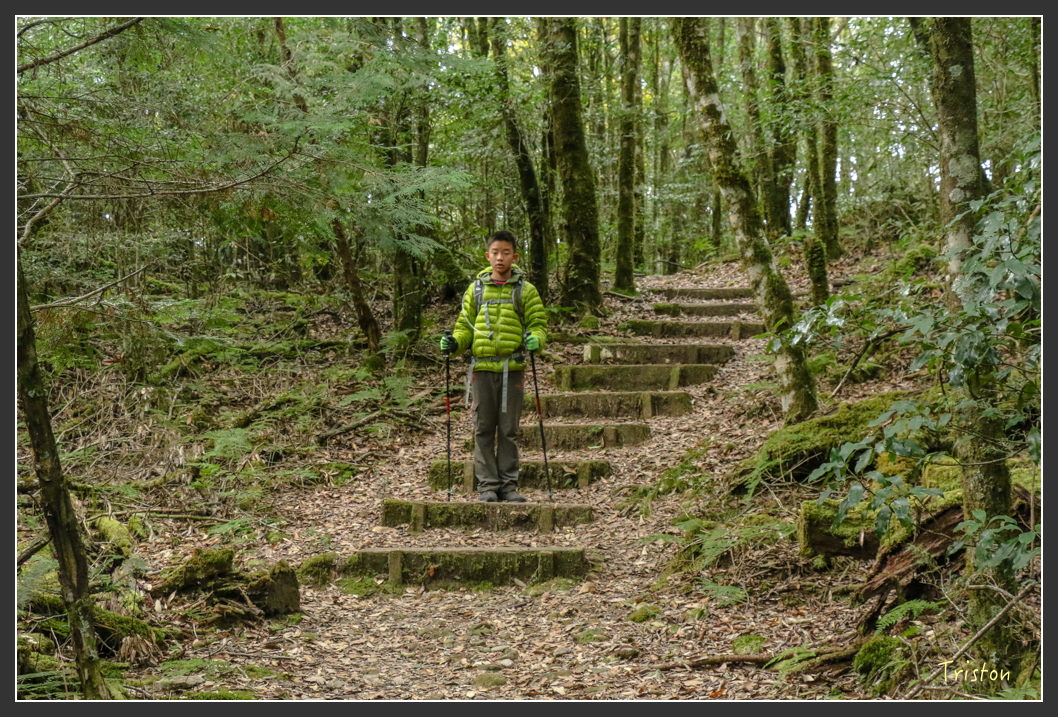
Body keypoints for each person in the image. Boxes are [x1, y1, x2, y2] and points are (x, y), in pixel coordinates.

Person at [440, 230, 547, 503]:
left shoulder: (526, 290)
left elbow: (538, 325)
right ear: (487, 256)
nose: (500, 258)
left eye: (506, 252)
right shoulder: (475, 289)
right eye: (495, 253)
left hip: (513, 368)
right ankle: (487, 486)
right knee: (483, 427)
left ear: (514, 256)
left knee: (509, 429)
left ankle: (509, 486)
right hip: (482, 369)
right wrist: (455, 344)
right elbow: (464, 327)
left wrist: (536, 340)